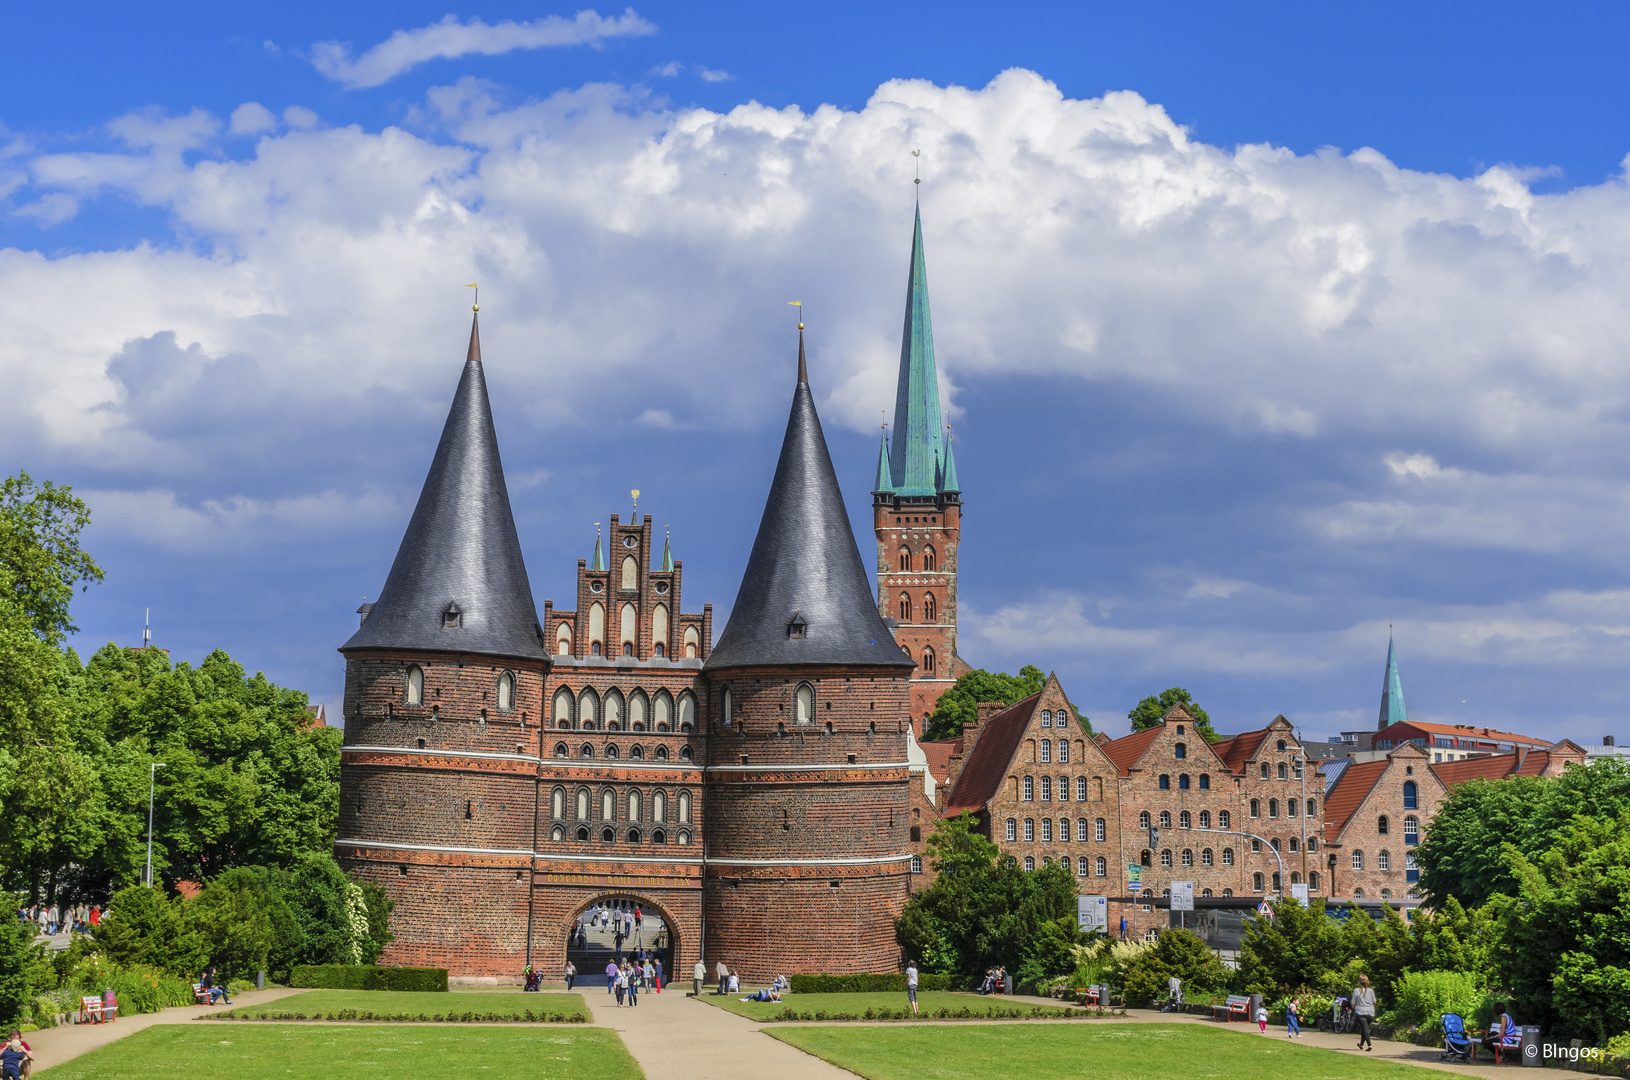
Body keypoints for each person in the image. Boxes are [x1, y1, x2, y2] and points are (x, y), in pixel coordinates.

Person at [1351, 974, 1376, 1051]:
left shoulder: (1356, 991)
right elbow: (1374, 1002)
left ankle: (1369, 1045)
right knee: (1364, 1028)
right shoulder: (1371, 991)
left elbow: (1353, 1003)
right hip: (1370, 1012)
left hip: (1361, 1012)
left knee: (1365, 1029)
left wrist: (1355, 1007)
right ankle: (1361, 1044)